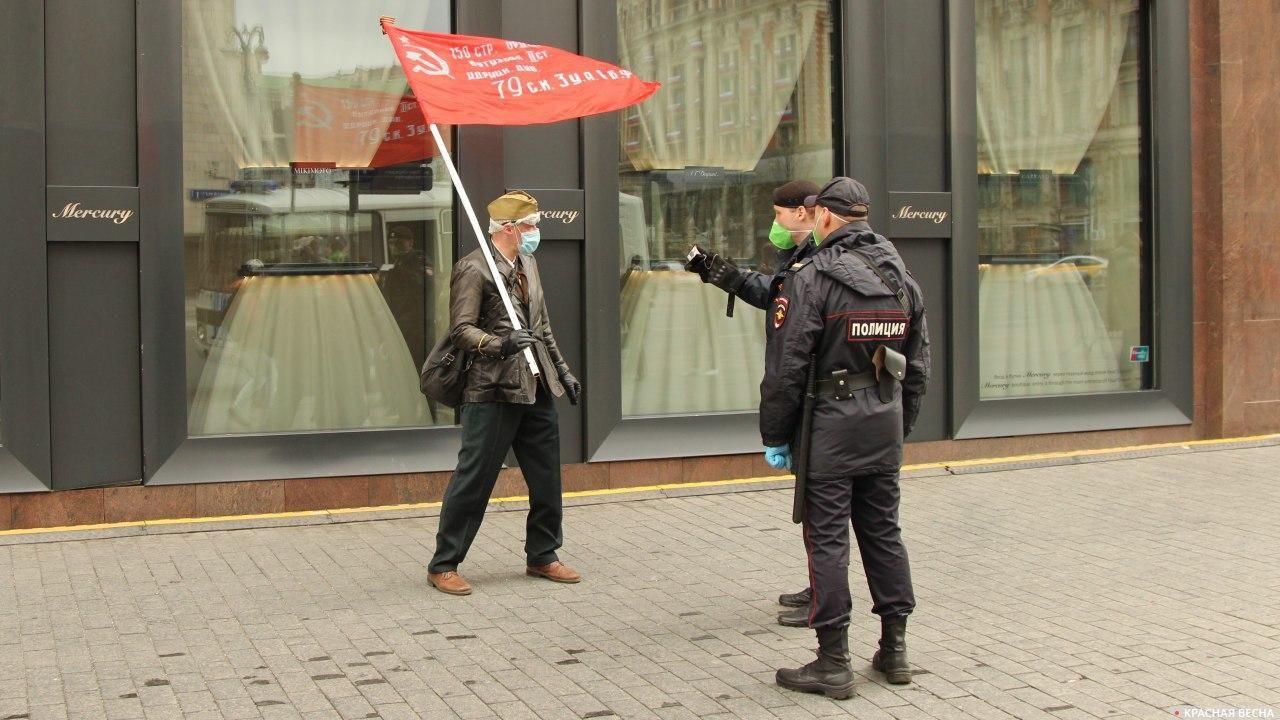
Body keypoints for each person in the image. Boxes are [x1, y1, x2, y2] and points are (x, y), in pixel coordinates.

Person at [758, 177, 930, 699]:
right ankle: (894, 650)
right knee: (883, 533)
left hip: (829, 427)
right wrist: (900, 427)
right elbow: (918, 367)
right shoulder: (901, 277)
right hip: (882, 424)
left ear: (825, 218)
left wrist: (776, 434)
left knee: (827, 541)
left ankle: (833, 661)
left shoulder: (811, 277)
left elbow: (786, 367)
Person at [426, 190, 583, 596]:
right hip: (491, 389)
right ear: (510, 228)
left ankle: (543, 554)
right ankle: (444, 563)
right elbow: (461, 330)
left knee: (546, 476)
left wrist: (562, 372)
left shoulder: (528, 262)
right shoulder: (474, 268)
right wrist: (500, 344)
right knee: (475, 478)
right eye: (531, 225)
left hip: (535, 385)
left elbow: (542, 326)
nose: (536, 233)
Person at [684, 180, 822, 628]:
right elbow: (772, 292)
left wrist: (776, 428)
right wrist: (719, 273)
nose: (775, 223)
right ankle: (820, 586)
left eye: (780, 213)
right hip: (812, 400)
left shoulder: (823, 260)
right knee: (817, 507)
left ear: (803, 212)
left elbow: (792, 334)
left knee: (825, 509)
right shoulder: (802, 257)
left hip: (821, 401)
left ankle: (826, 600)